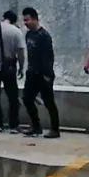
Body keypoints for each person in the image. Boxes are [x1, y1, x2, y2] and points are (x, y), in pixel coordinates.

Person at [20, 7, 60, 138]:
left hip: (44, 74)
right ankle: (36, 126)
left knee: (49, 102)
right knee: (27, 99)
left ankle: (55, 129)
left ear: (35, 19)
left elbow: (49, 57)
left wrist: (47, 75)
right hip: (31, 73)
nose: (25, 23)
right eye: (24, 20)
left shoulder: (44, 36)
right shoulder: (28, 35)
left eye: (28, 20)